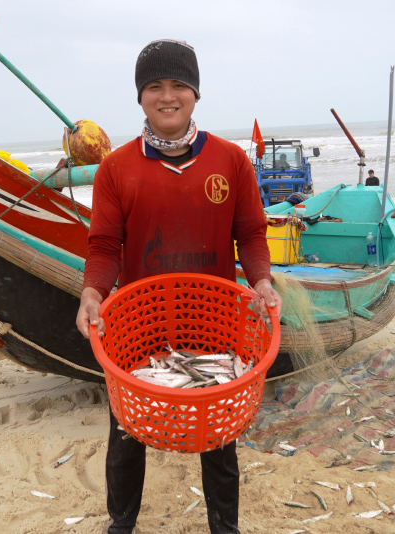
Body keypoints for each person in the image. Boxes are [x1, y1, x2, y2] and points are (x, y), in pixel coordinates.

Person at [76, 38, 282, 534]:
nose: (167, 96)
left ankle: (224, 528)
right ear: (140, 97)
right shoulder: (115, 168)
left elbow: (251, 233)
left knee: (219, 436)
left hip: (215, 320)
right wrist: (91, 293)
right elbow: (104, 245)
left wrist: (260, 280)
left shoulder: (231, 160)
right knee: (126, 430)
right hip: (140, 323)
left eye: (178, 86)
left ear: (195, 94)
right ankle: (121, 523)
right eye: (154, 87)